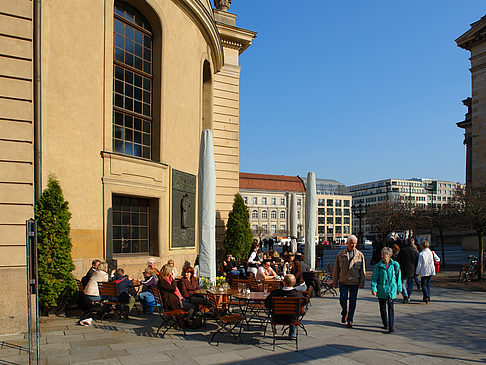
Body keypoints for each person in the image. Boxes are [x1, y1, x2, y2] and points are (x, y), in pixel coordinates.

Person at [332, 235, 366, 328]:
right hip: (343, 280)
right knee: (343, 299)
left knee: (353, 301)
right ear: (347, 243)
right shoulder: (341, 254)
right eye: (351, 243)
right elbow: (336, 269)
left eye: (355, 243)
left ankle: (350, 319)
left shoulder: (360, 255)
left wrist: (362, 282)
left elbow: (362, 270)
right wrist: (334, 281)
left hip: (354, 281)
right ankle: (344, 312)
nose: (353, 245)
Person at [371, 247, 402, 333]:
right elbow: (374, 278)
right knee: (382, 308)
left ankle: (391, 326)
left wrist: (399, 288)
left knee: (391, 308)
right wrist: (374, 288)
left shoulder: (395, 265)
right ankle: (385, 323)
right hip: (382, 289)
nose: (383, 257)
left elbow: (398, 277)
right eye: (382, 255)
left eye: (385, 255)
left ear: (389, 255)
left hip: (391, 289)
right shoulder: (378, 266)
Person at [264, 274, 304, 339]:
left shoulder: (275, 293)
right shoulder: (298, 295)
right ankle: (292, 334)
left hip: (277, 318)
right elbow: (302, 305)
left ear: (284, 282)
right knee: (294, 312)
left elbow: (267, 304)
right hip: (292, 320)